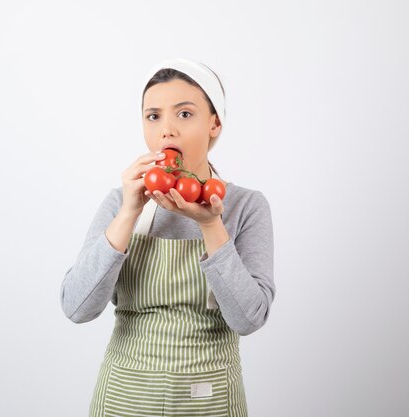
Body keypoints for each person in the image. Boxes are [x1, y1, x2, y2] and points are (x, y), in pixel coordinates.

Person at [60, 57, 275, 417]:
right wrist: (128, 213)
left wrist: (211, 226)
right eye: (153, 116)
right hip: (124, 397)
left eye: (185, 114)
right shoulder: (120, 202)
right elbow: (77, 308)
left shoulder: (245, 206)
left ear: (214, 124)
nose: (167, 130)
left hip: (209, 399)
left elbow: (249, 319)